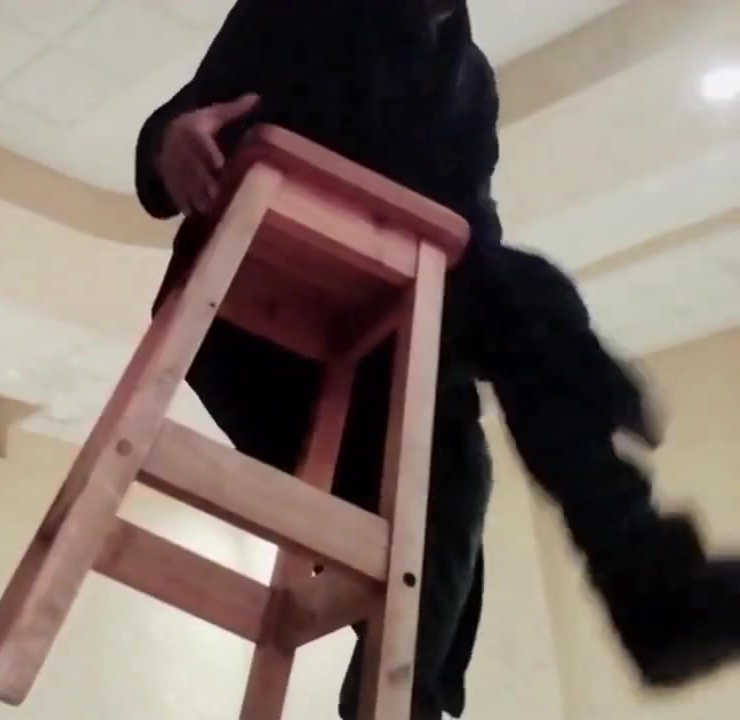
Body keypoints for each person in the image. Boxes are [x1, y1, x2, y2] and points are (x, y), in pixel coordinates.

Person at [132, 1, 739, 718]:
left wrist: (542, 339)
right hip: (258, 323)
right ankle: (648, 586)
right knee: (521, 312)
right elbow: (182, 120)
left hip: (379, 342)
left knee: (454, 477)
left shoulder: (470, 81)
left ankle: (399, 702)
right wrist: (168, 146)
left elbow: (473, 245)